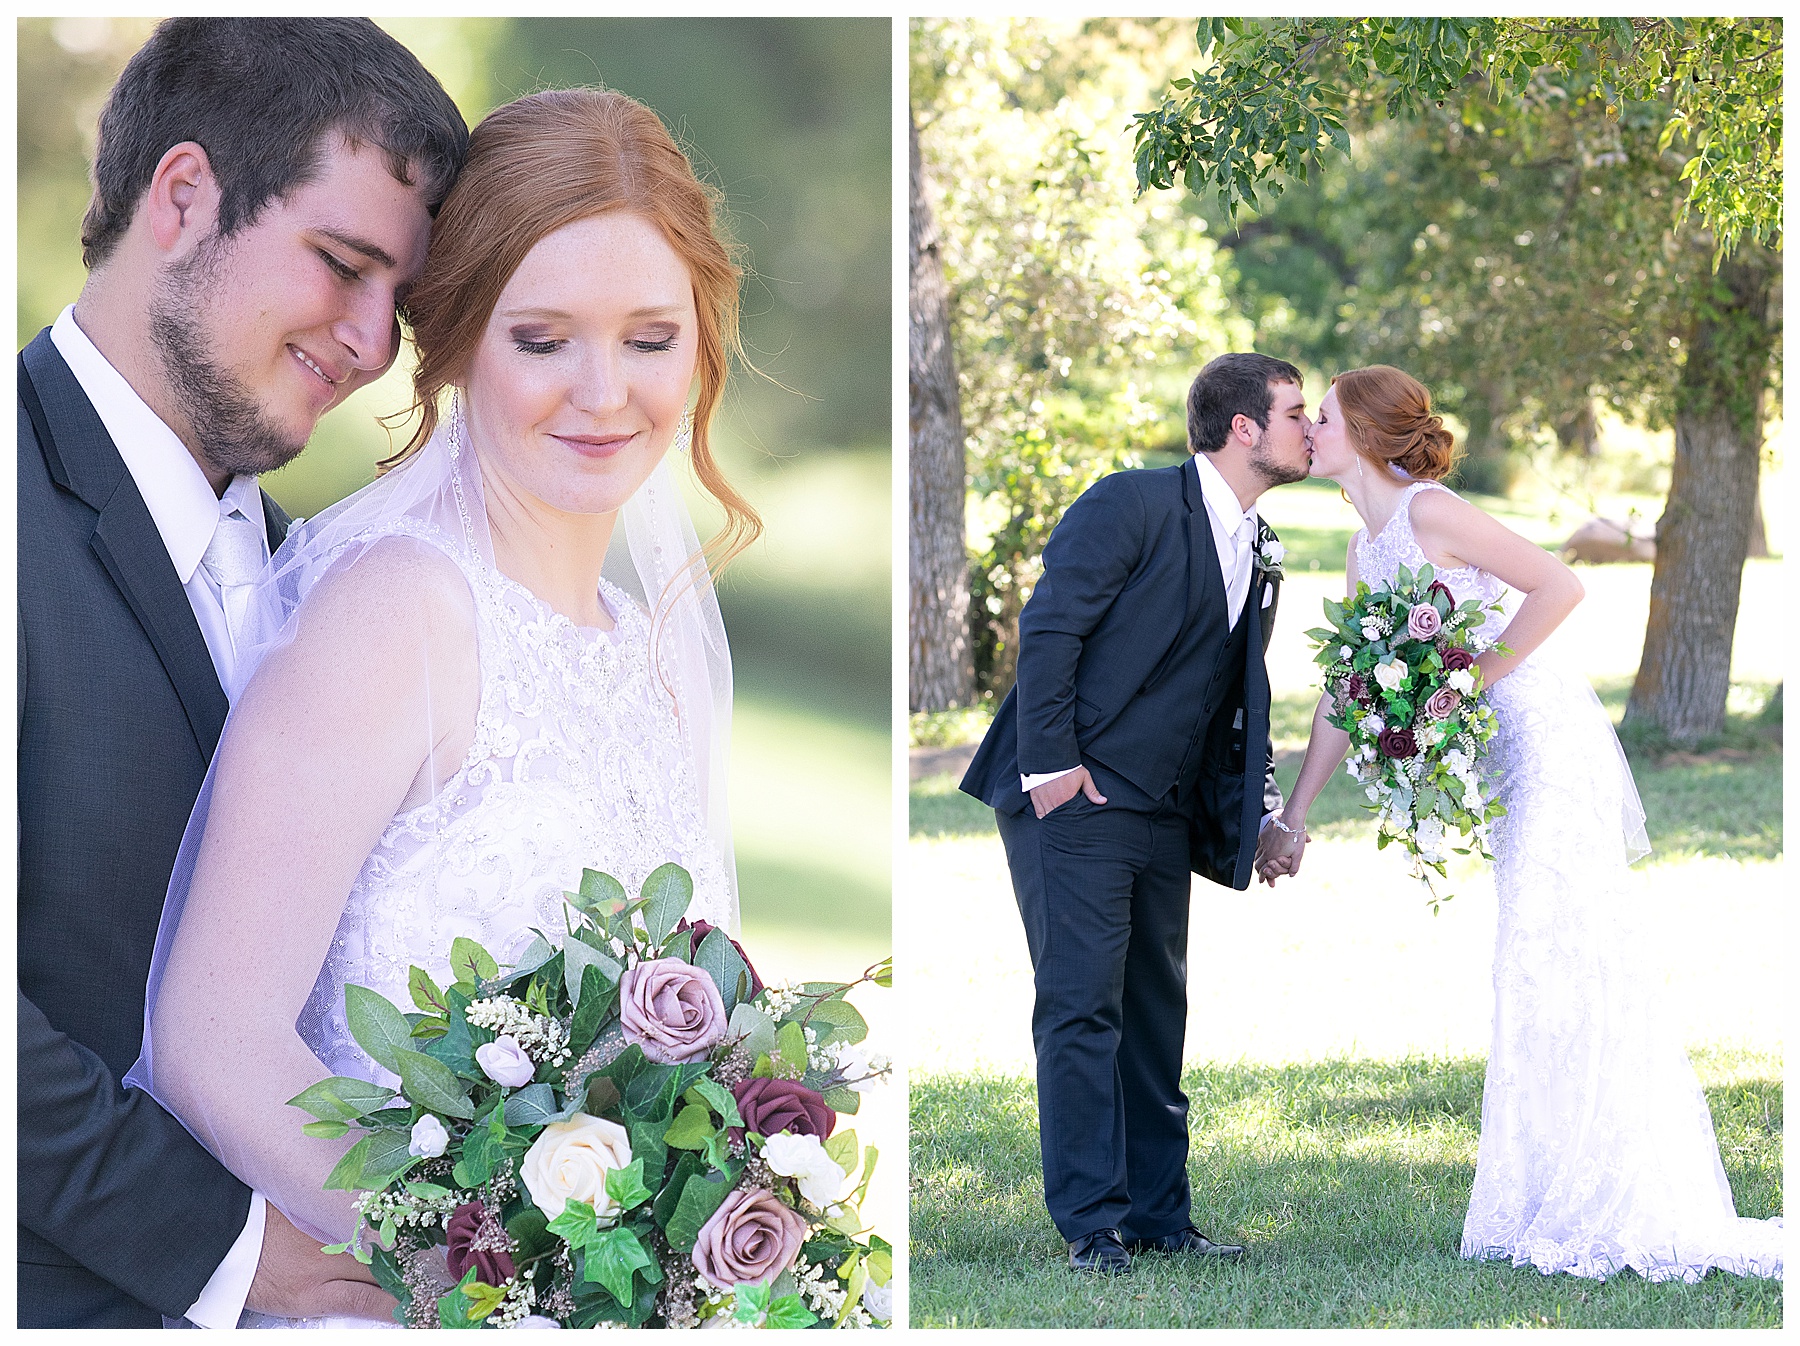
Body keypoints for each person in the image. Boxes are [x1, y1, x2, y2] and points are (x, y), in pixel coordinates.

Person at [127, 86, 763, 1325]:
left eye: (650, 337)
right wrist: (507, 1269)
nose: (604, 391)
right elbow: (213, 1037)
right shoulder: (396, 614)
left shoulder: (656, 656)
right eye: (543, 338)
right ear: (462, 339)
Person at [17, 19, 468, 1328]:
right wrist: (226, 1251)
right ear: (183, 195)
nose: (375, 341)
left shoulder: (322, 579)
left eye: (404, 301)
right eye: (342, 264)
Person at [1272, 365, 1783, 1282]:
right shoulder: (1362, 551)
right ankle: (1549, 1187)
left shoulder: (1431, 513)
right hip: (1505, 765)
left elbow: (1557, 587)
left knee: (1560, 951)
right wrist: (1297, 812)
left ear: (1370, 434)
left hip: (1548, 748)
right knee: (1534, 961)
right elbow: (1347, 692)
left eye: (1325, 418)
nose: (1308, 430)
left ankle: (1616, 1190)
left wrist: (1461, 685)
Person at [960, 352, 1312, 1274]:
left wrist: (1262, 808)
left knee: (1156, 1012)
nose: (1310, 431)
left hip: (1160, 809)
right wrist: (1056, 772)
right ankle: (1091, 1225)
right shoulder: (1132, 502)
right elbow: (1050, 629)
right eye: (1296, 414)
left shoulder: (1258, 545)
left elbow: (1240, 696)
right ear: (1245, 429)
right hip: (1073, 798)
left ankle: (1160, 1218)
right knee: (1082, 1008)